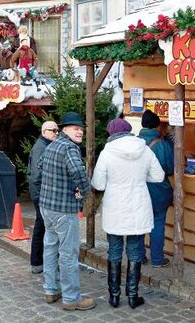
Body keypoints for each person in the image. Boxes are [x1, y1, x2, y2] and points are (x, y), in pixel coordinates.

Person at [91, 118, 165, 309]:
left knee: (114, 250)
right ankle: (133, 296)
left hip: (115, 206)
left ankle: (114, 296)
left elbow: (98, 184)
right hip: (138, 204)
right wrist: (140, 179)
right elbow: (158, 176)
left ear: (111, 133)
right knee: (135, 250)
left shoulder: (107, 153)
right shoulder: (145, 149)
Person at [34, 112, 96, 311]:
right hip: (63, 210)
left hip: (46, 207)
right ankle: (71, 299)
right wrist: (85, 192)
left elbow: (40, 168)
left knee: (50, 248)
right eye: (75, 128)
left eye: (81, 128)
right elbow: (78, 172)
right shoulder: (69, 148)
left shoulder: (52, 145)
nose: (80, 131)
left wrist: (67, 185)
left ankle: (51, 290)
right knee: (68, 254)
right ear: (64, 130)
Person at [138, 109, 175, 268]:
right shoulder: (162, 144)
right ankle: (157, 259)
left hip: (138, 191)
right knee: (157, 224)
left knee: (139, 224)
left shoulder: (133, 142)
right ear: (157, 126)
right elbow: (170, 168)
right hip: (159, 192)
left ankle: (138, 256)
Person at [27, 120, 58, 274]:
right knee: (42, 227)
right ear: (44, 131)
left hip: (42, 194)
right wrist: (41, 197)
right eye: (53, 130)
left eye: (57, 130)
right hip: (41, 195)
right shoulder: (41, 147)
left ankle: (38, 261)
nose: (56, 133)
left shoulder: (46, 145)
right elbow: (36, 176)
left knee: (42, 226)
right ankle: (38, 261)